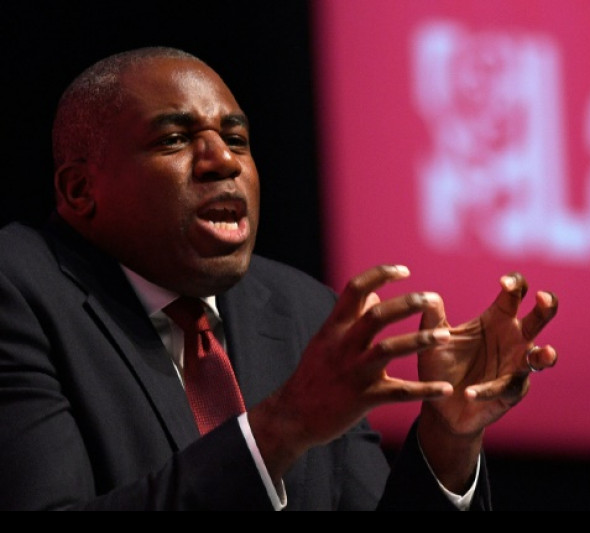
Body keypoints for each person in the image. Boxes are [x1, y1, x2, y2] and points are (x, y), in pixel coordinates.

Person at [0, 46, 559, 511]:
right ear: (80, 190)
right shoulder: (19, 289)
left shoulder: (306, 312)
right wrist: (285, 424)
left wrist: (450, 438)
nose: (223, 161)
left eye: (237, 140)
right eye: (174, 139)